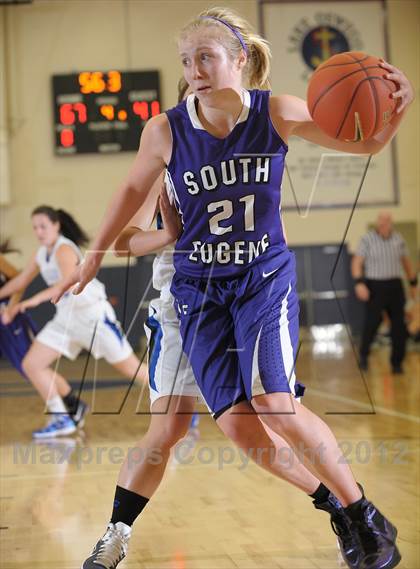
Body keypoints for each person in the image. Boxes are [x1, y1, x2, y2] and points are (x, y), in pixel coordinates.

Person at [54, 7, 413, 569]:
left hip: (260, 279)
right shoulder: (167, 132)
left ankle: (363, 516)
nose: (194, 69)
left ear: (240, 59)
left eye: (205, 57)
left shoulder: (277, 112)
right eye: (186, 60)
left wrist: (394, 110)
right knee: (238, 434)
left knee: (276, 403)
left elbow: (364, 145)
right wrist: (98, 255)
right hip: (192, 293)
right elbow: (127, 210)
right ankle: (336, 508)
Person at [0, 206, 148, 438]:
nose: (39, 232)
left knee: (133, 371)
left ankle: (178, 405)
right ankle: (62, 419)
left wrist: (29, 302)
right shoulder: (42, 253)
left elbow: (67, 284)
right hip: (66, 319)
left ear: (56, 225)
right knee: (32, 364)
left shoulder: (64, 249)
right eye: (35, 227)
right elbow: (19, 281)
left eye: (43, 226)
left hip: (92, 316)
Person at [352, 211, 418, 373]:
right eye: (381, 220)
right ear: (377, 222)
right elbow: (357, 262)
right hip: (375, 286)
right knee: (372, 323)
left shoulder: (398, 239)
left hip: (395, 286)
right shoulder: (367, 239)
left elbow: (406, 262)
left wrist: (413, 283)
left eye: (387, 220)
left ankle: (397, 363)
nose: (384, 223)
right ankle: (363, 357)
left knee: (399, 327)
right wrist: (359, 283)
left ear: (391, 222)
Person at [0, 240, 38, 377]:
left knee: (29, 366)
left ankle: (62, 397)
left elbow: (20, 281)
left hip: (8, 317)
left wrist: (10, 308)